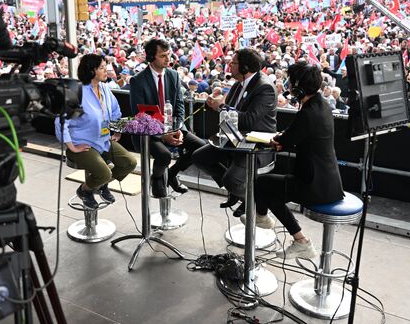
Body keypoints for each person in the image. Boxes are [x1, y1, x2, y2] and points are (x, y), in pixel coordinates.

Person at [248, 61, 345, 259]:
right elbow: (296, 135)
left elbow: (284, 141)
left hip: (314, 186)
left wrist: (279, 140)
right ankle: (263, 217)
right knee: (270, 189)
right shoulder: (321, 104)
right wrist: (284, 138)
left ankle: (298, 239)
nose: (289, 87)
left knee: (262, 184)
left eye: (292, 83)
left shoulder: (308, 113)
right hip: (327, 181)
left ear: (299, 87)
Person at [192, 48, 277, 212]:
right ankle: (238, 194)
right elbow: (229, 110)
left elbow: (249, 120)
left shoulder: (264, 88)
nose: (229, 65)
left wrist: (222, 106)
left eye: (233, 62)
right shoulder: (238, 83)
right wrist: (213, 103)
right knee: (199, 157)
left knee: (232, 180)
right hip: (233, 139)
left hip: (255, 146)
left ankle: (253, 202)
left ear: (245, 68)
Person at [55, 54, 137, 208]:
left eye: (105, 67)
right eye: (101, 68)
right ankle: (85, 190)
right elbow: (61, 121)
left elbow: (115, 111)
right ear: (91, 71)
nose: (107, 70)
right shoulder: (77, 92)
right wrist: (71, 146)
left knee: (130, 163)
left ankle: (100, 185)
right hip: (81, 144)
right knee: (104, 173)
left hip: (104, 140)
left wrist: (117, 131)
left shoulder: (105, 89)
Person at [129, 38, 205, 197]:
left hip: (173, 126)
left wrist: (176, 129)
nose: (168, 59)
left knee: (201, 148)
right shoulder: (138, 80)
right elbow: (140, 114)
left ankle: (172, 174)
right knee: (164, 155)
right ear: (151, 57)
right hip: (149, 131)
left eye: (168, 54)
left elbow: (179, 106)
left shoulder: (174, 75)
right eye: (163, 55)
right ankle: (157, 178)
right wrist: (162, 135)